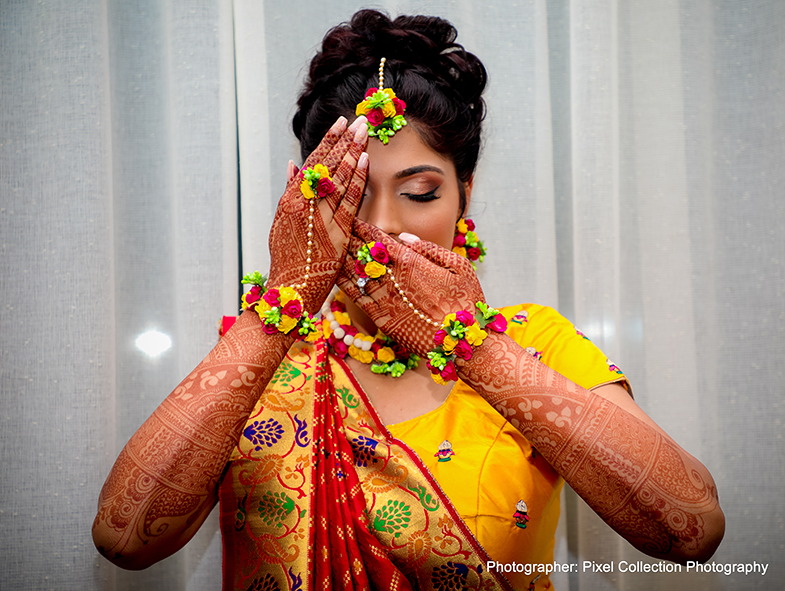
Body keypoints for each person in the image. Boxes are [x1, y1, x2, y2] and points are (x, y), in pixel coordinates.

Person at [92, 10, 724, 590]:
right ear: (307, 205)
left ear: (464, 195)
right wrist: (282, 304)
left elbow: (690, 529)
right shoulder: (263, 359)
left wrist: (471, 345)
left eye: (419, 192)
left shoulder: (532, 343)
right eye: (351, 197)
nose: (386, 226)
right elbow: (125, 536)